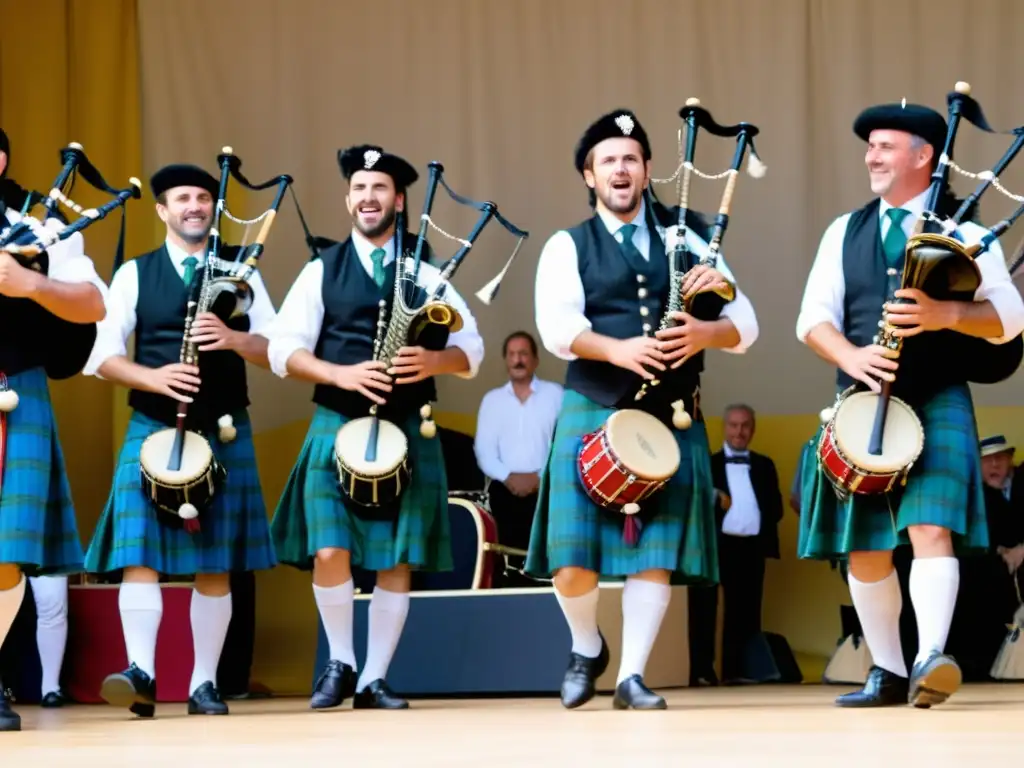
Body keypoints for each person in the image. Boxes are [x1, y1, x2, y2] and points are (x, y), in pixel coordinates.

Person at [526, 109, 759, 710]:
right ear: (589, 175)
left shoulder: (689, 237)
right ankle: (586, 647)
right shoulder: (566, 245)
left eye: (631, 158)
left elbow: (748, 324)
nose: (621, 169)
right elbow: (557, 328)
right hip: (593, 408)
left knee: (651, 557)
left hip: (670, 414)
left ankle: (631, 677)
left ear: (649, 168)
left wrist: (708, 335)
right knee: (571, 563)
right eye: (608, 161)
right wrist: (619, 350)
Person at [795, 101, 1024, 708]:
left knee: (929, 527)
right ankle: (888, 671)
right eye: (869, 145)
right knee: (867, 548)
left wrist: (945, 314)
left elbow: (1009, 319)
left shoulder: (967, 232)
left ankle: (929, 659)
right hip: (863, 401)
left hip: (938, 394)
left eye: (885, 145)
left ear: (925, 155)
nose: (871, 155)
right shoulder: (843, 231)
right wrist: (852, 359)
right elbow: (811, 320)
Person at [266, 144, 484, 711]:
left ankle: (374, 678)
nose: (369, 198)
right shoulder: (321, 271)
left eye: (379, 188)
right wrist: (337, 372)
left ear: (399, 199)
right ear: (347, 200)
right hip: (336, 422)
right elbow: (283, 349)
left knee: (395, 558)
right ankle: (340, 661)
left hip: (408, 426)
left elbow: (473, 346)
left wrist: (436, 362)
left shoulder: (427, 272)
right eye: (360, 189)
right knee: (330, 549)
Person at [82, 163, 278, 718]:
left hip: (221, 429)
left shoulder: (241, 273)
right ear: (162, 211)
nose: (194, 205)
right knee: (139, 557)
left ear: (212, 210)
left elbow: (281, 350)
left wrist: (236, 338)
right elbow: (99, 357)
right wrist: (153, 377)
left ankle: (204, 683)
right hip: (152, 426)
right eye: (182, 198)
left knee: (213, 563)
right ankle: (140, 674)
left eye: (203, 198)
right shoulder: (134, 274)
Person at [0, 128, 109, 732]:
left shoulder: (37, 224)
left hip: (16, 388)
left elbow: (93, 304)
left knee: (5, 555)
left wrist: (30, 284)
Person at [689, 403, 783, 686]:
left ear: (752, 429)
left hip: (752, 549)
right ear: (724, 427)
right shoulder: (710, 464)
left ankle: (741, 670)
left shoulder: (765, 465)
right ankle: (703, 670)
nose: (739, 431)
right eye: (734, 425)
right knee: (706, 609)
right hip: (717, 546)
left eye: (745, 426)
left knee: (747, 610)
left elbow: (776, 508)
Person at [473, 330, 562, 555]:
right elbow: (484, 451)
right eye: (512, 354)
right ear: (505, 360)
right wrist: (508, 477)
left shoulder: (556, 395)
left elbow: (561, 445)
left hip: (546, 489)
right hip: (503, 491)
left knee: (545, 555)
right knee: (503, 555)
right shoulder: (492, 400)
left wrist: (540, 478)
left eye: (523, 353)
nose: (517, 360)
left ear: (535, 359)